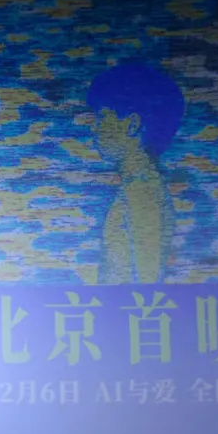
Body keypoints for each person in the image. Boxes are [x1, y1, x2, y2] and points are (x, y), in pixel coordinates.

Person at [86, 60, 184, 285]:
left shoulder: (142, 189)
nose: (94, 127)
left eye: (103, 117)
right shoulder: (141, 185)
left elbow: (148, 280)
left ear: (132, 125)